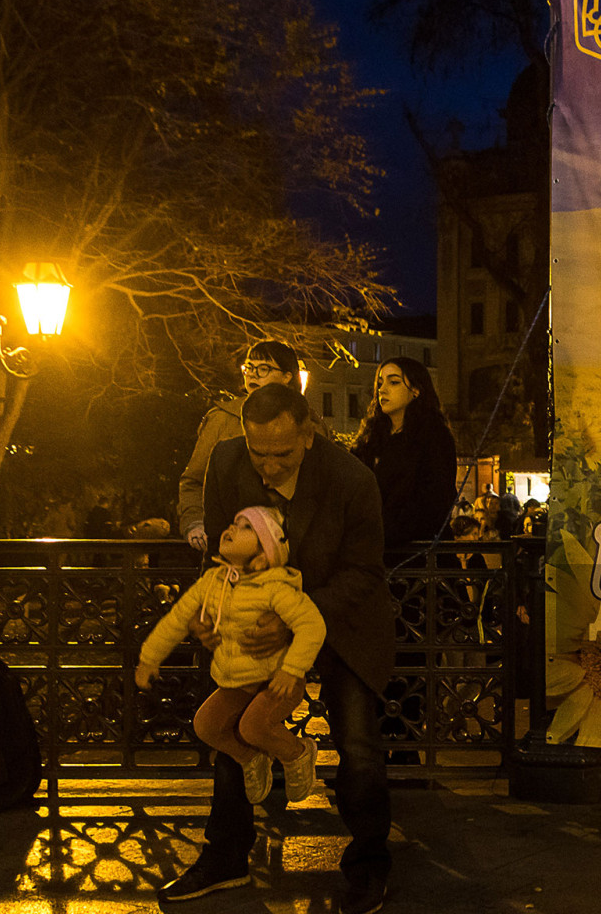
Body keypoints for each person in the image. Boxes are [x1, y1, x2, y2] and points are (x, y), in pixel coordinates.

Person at [156, 384, 393, 914]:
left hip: (342, 622)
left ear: (308, 435)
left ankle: (369, 865)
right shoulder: (226, 461)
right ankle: (225, 857)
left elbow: (363, 573)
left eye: (282, 454)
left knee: (358, 746)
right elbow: (224, 556)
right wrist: (214, 611)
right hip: (257, 622)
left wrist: (292, 619)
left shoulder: (352, 479)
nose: (268, 467)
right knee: (229, 732)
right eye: (257, 452)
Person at [135, 506, 324, 806]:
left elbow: (312, 625)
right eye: (235, 523)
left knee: (253, 726)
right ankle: (250, 758)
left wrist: (291, 669)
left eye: (247, 527)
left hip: (278, 680)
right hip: (238, 680)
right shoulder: (213, 581)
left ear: (264, 551)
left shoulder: (276, 586)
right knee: (206, 726)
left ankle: (297, 753)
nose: (232, 528)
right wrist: (149, 658)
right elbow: (178, 618)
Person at [178, 340, 302, 552]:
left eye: (263, 368)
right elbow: (194, 480)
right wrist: (195, 522)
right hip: (233, 548)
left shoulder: (307, 425)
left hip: (291, 548)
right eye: (249, 368)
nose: (253, 375)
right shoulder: (223, 419)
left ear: (287, 376)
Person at [351, 357, 458, 547]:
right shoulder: (370, 439)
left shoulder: (434, 437)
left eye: (393, 382)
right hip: (372, 550)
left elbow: (436, 500)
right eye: (380, 383)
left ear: (416, 390)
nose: (382, 390)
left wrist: (385, 529)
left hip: (415, 552)